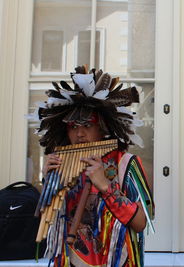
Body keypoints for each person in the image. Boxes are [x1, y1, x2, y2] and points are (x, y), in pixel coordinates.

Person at [32, 65, 154, 267]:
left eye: (87, 125)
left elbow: (141, 223)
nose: (79, 134)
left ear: (103, 128)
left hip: (116, 260)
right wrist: (48, 182)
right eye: (73, 127)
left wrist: (105, 186)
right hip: (72, 259)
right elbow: (48, 222)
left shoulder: (126, 164)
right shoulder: (62, 164)